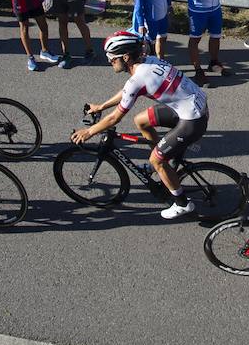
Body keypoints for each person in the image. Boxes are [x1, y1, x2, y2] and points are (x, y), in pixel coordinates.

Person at [72, 30, 209, 220]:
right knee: (140, 120)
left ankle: (182, 203)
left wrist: (89, 131)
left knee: (156, 159)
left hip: (192, 120)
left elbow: (114, 119)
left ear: (126, 57)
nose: (109, 61)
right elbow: (128, 90)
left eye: (112, 58)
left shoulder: (139, 78)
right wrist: (101, 106)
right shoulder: (148, 61)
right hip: (191, 107)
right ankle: (162, 160)